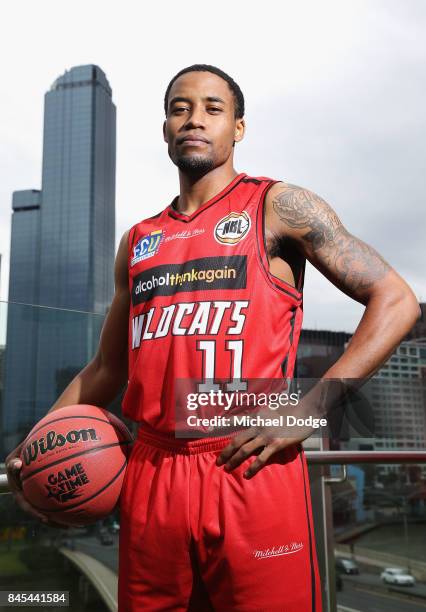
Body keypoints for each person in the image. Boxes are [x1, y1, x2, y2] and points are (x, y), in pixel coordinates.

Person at [6, 64, 420, 611]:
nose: (193, 119)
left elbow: (395, 299)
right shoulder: (139, 241)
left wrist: (313, 407)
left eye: (212, 108)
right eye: (180, 108)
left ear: (238, 128)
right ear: (165, 129)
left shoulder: (278, 206)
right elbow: (106, 369)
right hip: (152, 472)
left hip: (250, 462)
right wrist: (39, 443)